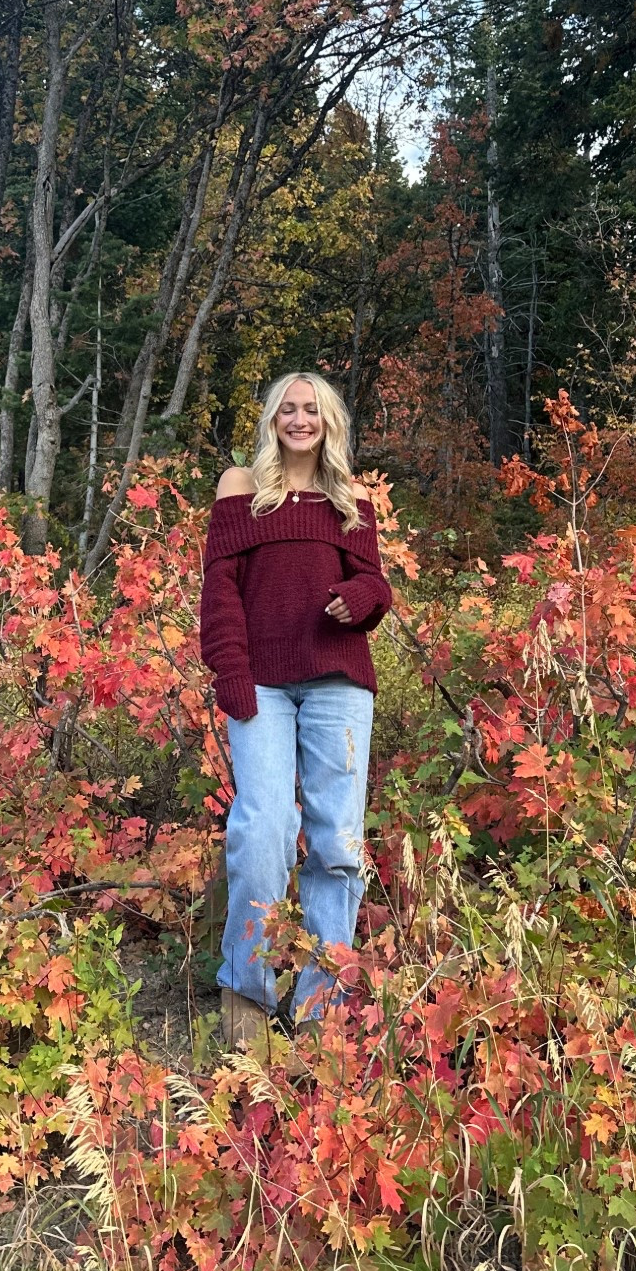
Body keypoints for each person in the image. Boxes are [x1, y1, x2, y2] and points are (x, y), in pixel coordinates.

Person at [198, 371, 392, 1050]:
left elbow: (374, 582)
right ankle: (245, 990)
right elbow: (219, 590)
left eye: (312, 409)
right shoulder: (240, 488)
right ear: (272, 419)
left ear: (329, 421)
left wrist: (361, 599)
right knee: (263, 828)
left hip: (339, 682)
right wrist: (231, 671)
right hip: (264, 687)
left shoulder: (350, 496)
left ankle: (322, 1003)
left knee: (338, 839)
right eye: (289, 408)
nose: (300, 418)